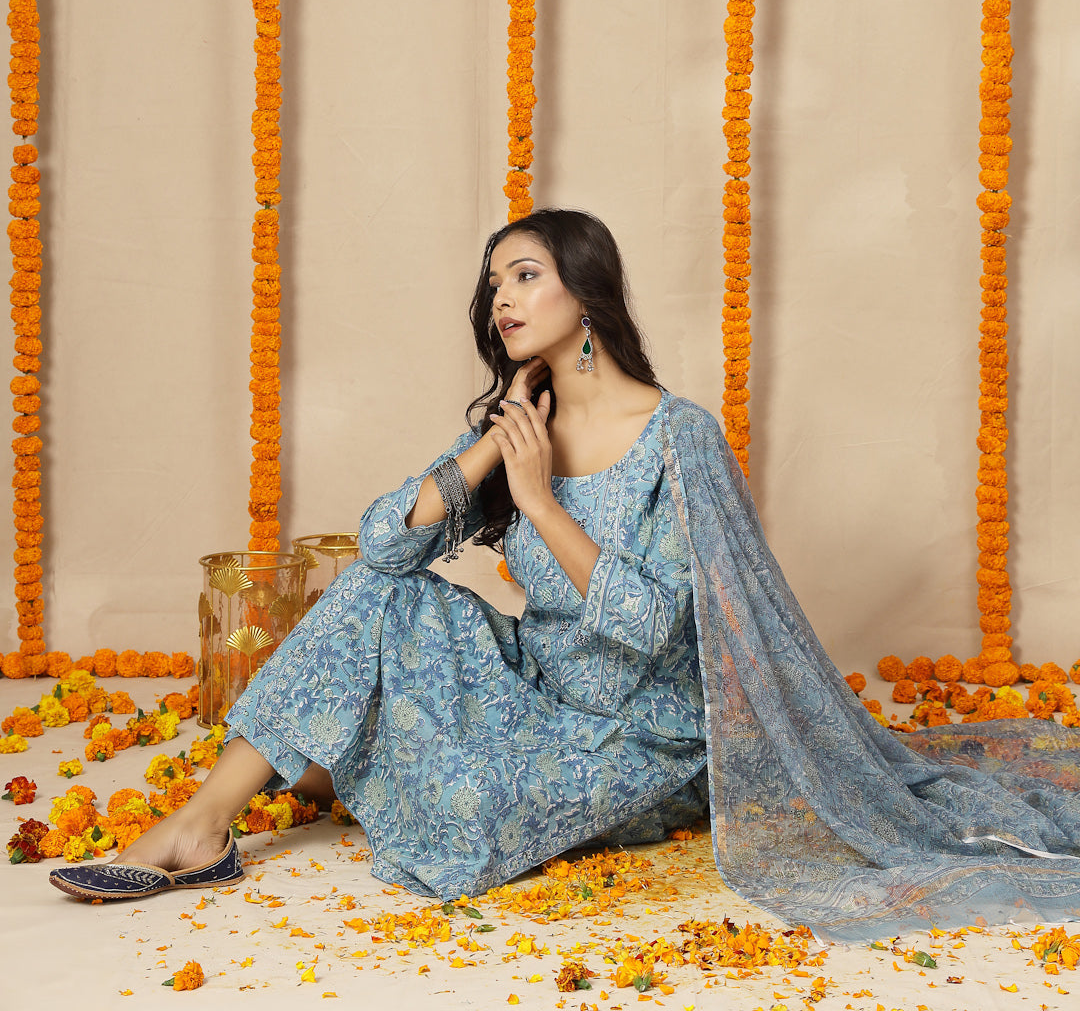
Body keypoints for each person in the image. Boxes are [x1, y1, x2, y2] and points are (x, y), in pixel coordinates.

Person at [50, 209, 1080, 941]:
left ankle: (327, 769)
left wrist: (542, 505)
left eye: (526, 273)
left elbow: (658, 629)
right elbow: (380, 545)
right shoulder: (522, 425)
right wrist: (501, 449)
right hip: (535, 691)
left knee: (469, 823)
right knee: (390, 589)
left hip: (643, 737)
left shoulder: (679, 437)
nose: (502, 296)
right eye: (494, 282)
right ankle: (202, 824)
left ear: (587, 288)